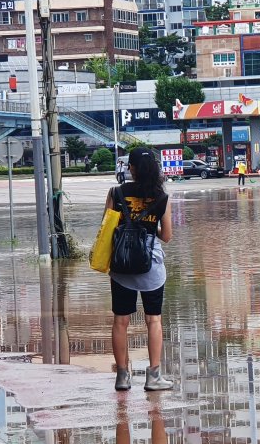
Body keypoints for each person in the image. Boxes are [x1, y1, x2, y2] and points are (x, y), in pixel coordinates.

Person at [103, 147, 173, 392]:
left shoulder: (116, 192)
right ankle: (153, 377)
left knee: (120, 321)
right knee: (153, 320)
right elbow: (166, 236)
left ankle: (122, 376)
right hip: (150, 267)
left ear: (130, 168)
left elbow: (106, 229)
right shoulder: (161, 197)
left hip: (121, 266)